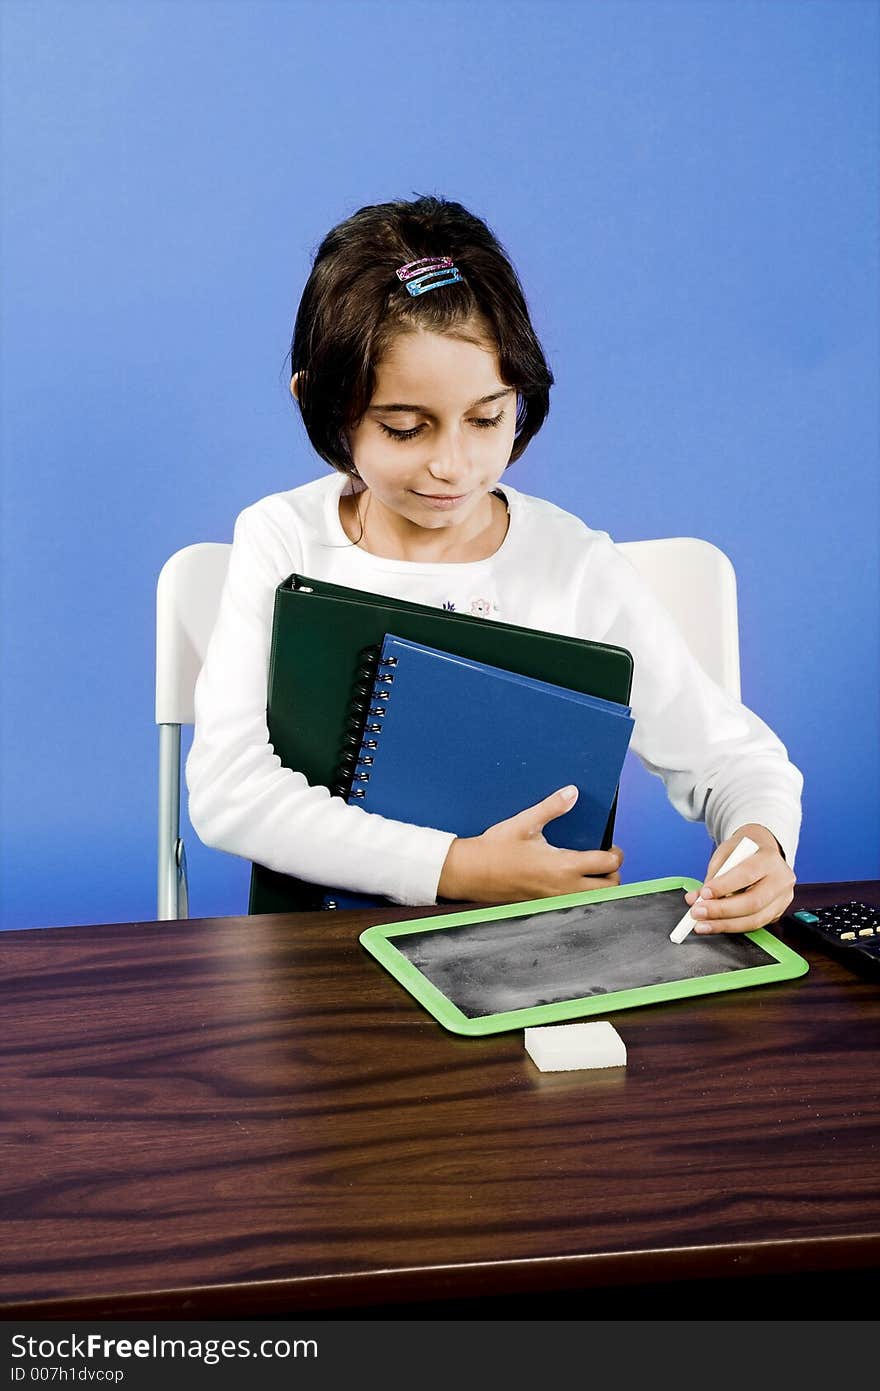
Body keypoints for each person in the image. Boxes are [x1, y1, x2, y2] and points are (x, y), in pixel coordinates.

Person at [187, 194, 802, 934]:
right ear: (322, 407)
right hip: (323, 961)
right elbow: (228, 790)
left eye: (486, 419)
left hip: (531, 958)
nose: (453, 464)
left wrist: (758, 839)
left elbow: (733, 759)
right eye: (405, 427)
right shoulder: (283, 538)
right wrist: (456, 867)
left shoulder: (571, 562)